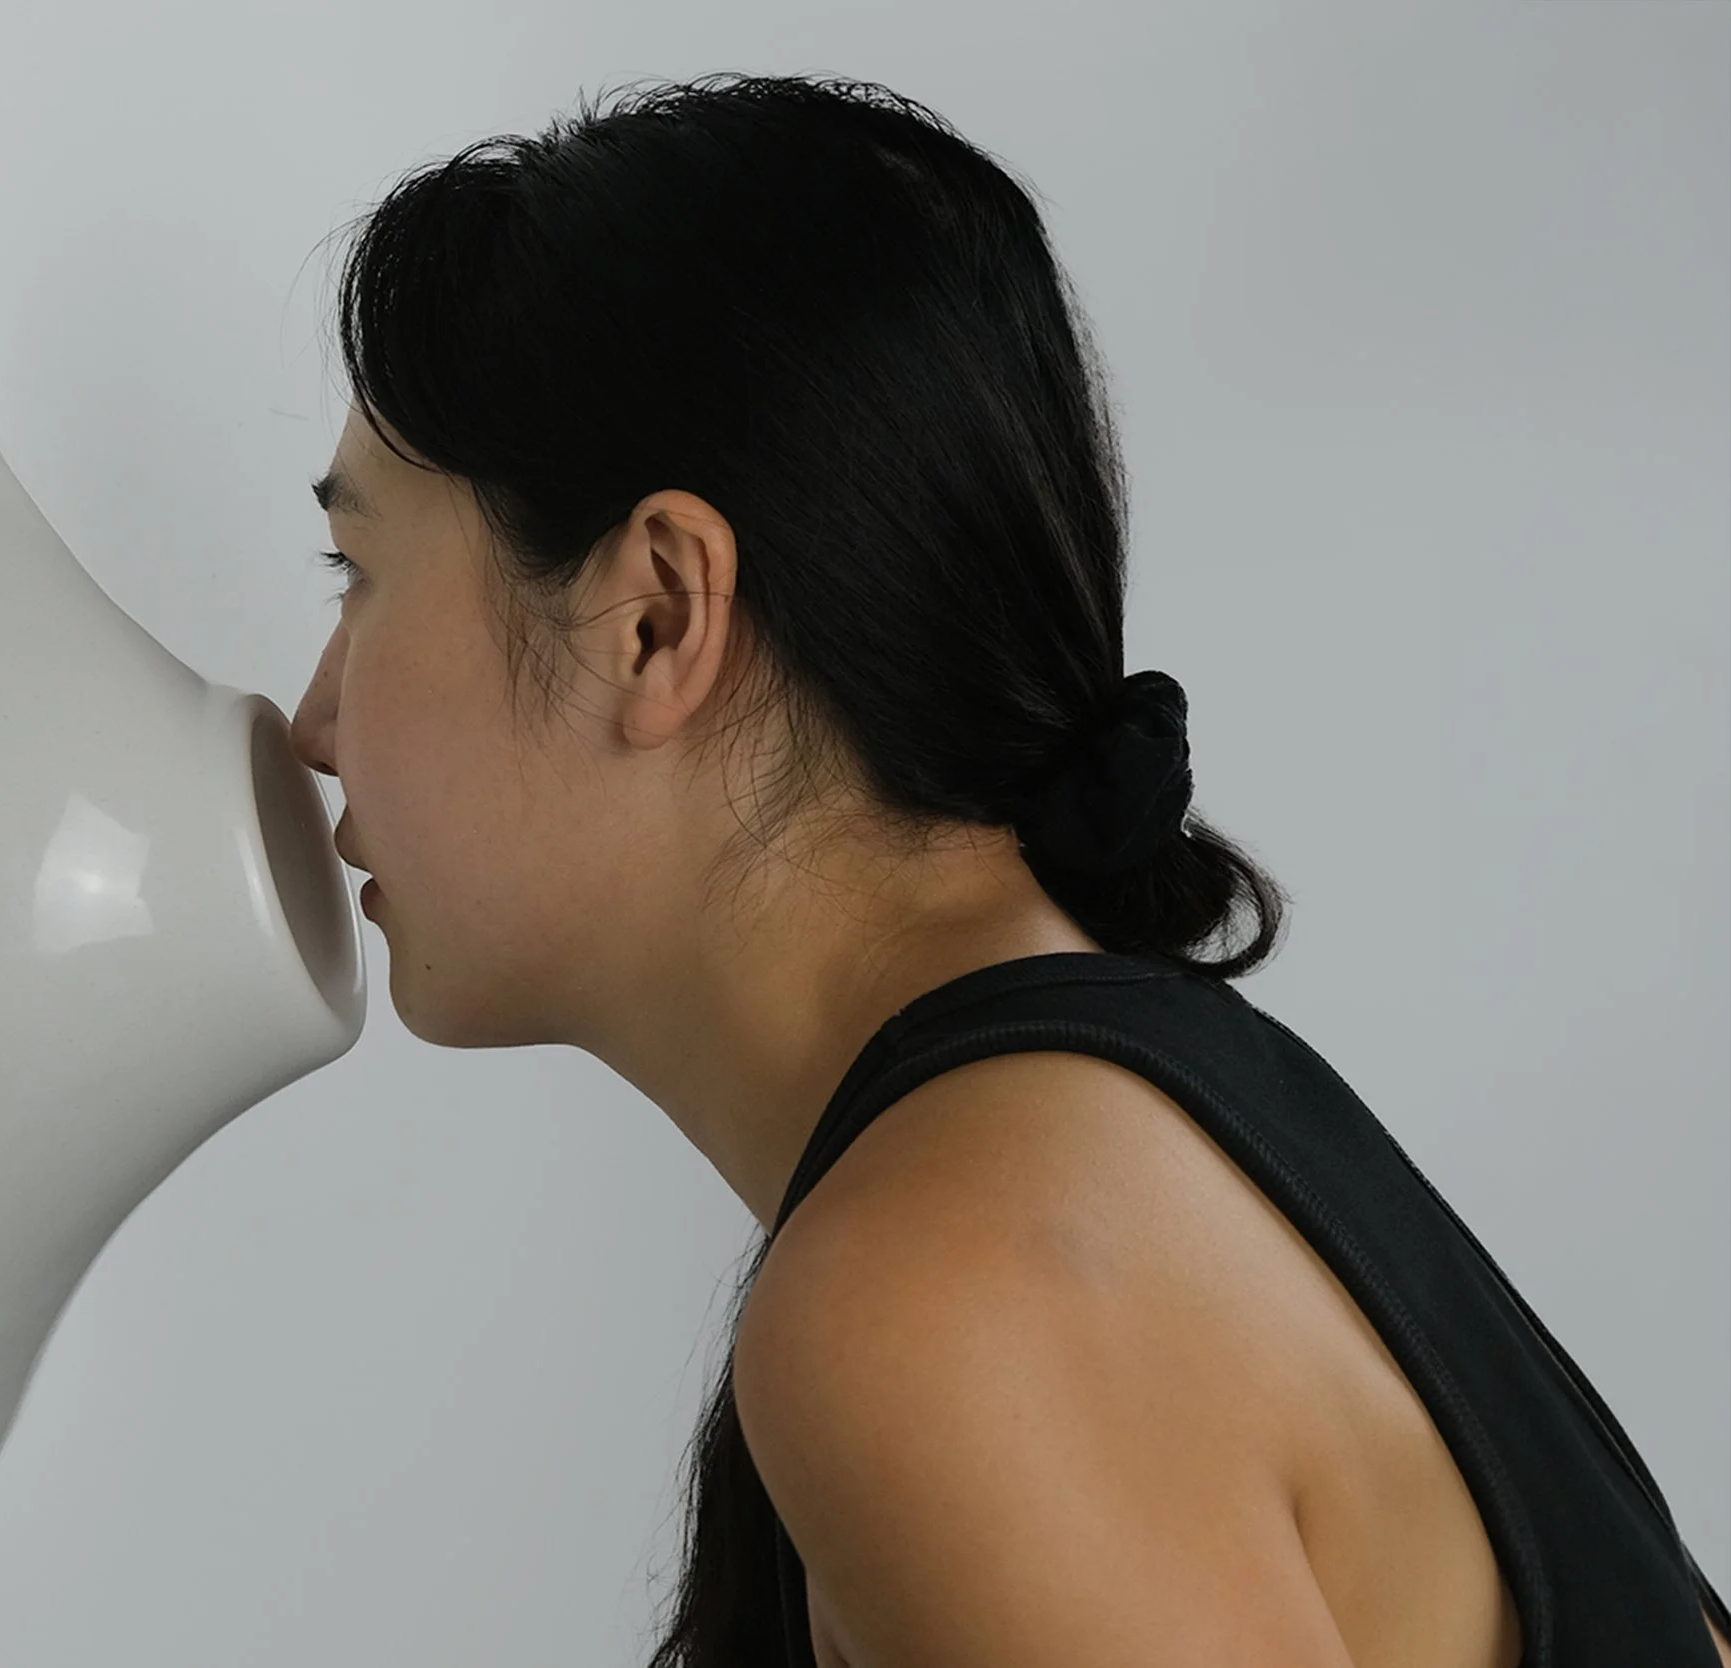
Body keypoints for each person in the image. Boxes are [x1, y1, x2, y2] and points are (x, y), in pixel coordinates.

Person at [283, 72, 1731, 1666]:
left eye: (360, 573)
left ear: (658, 617)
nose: (314, 720)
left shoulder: (947, 1290)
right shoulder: (1118, 1128)